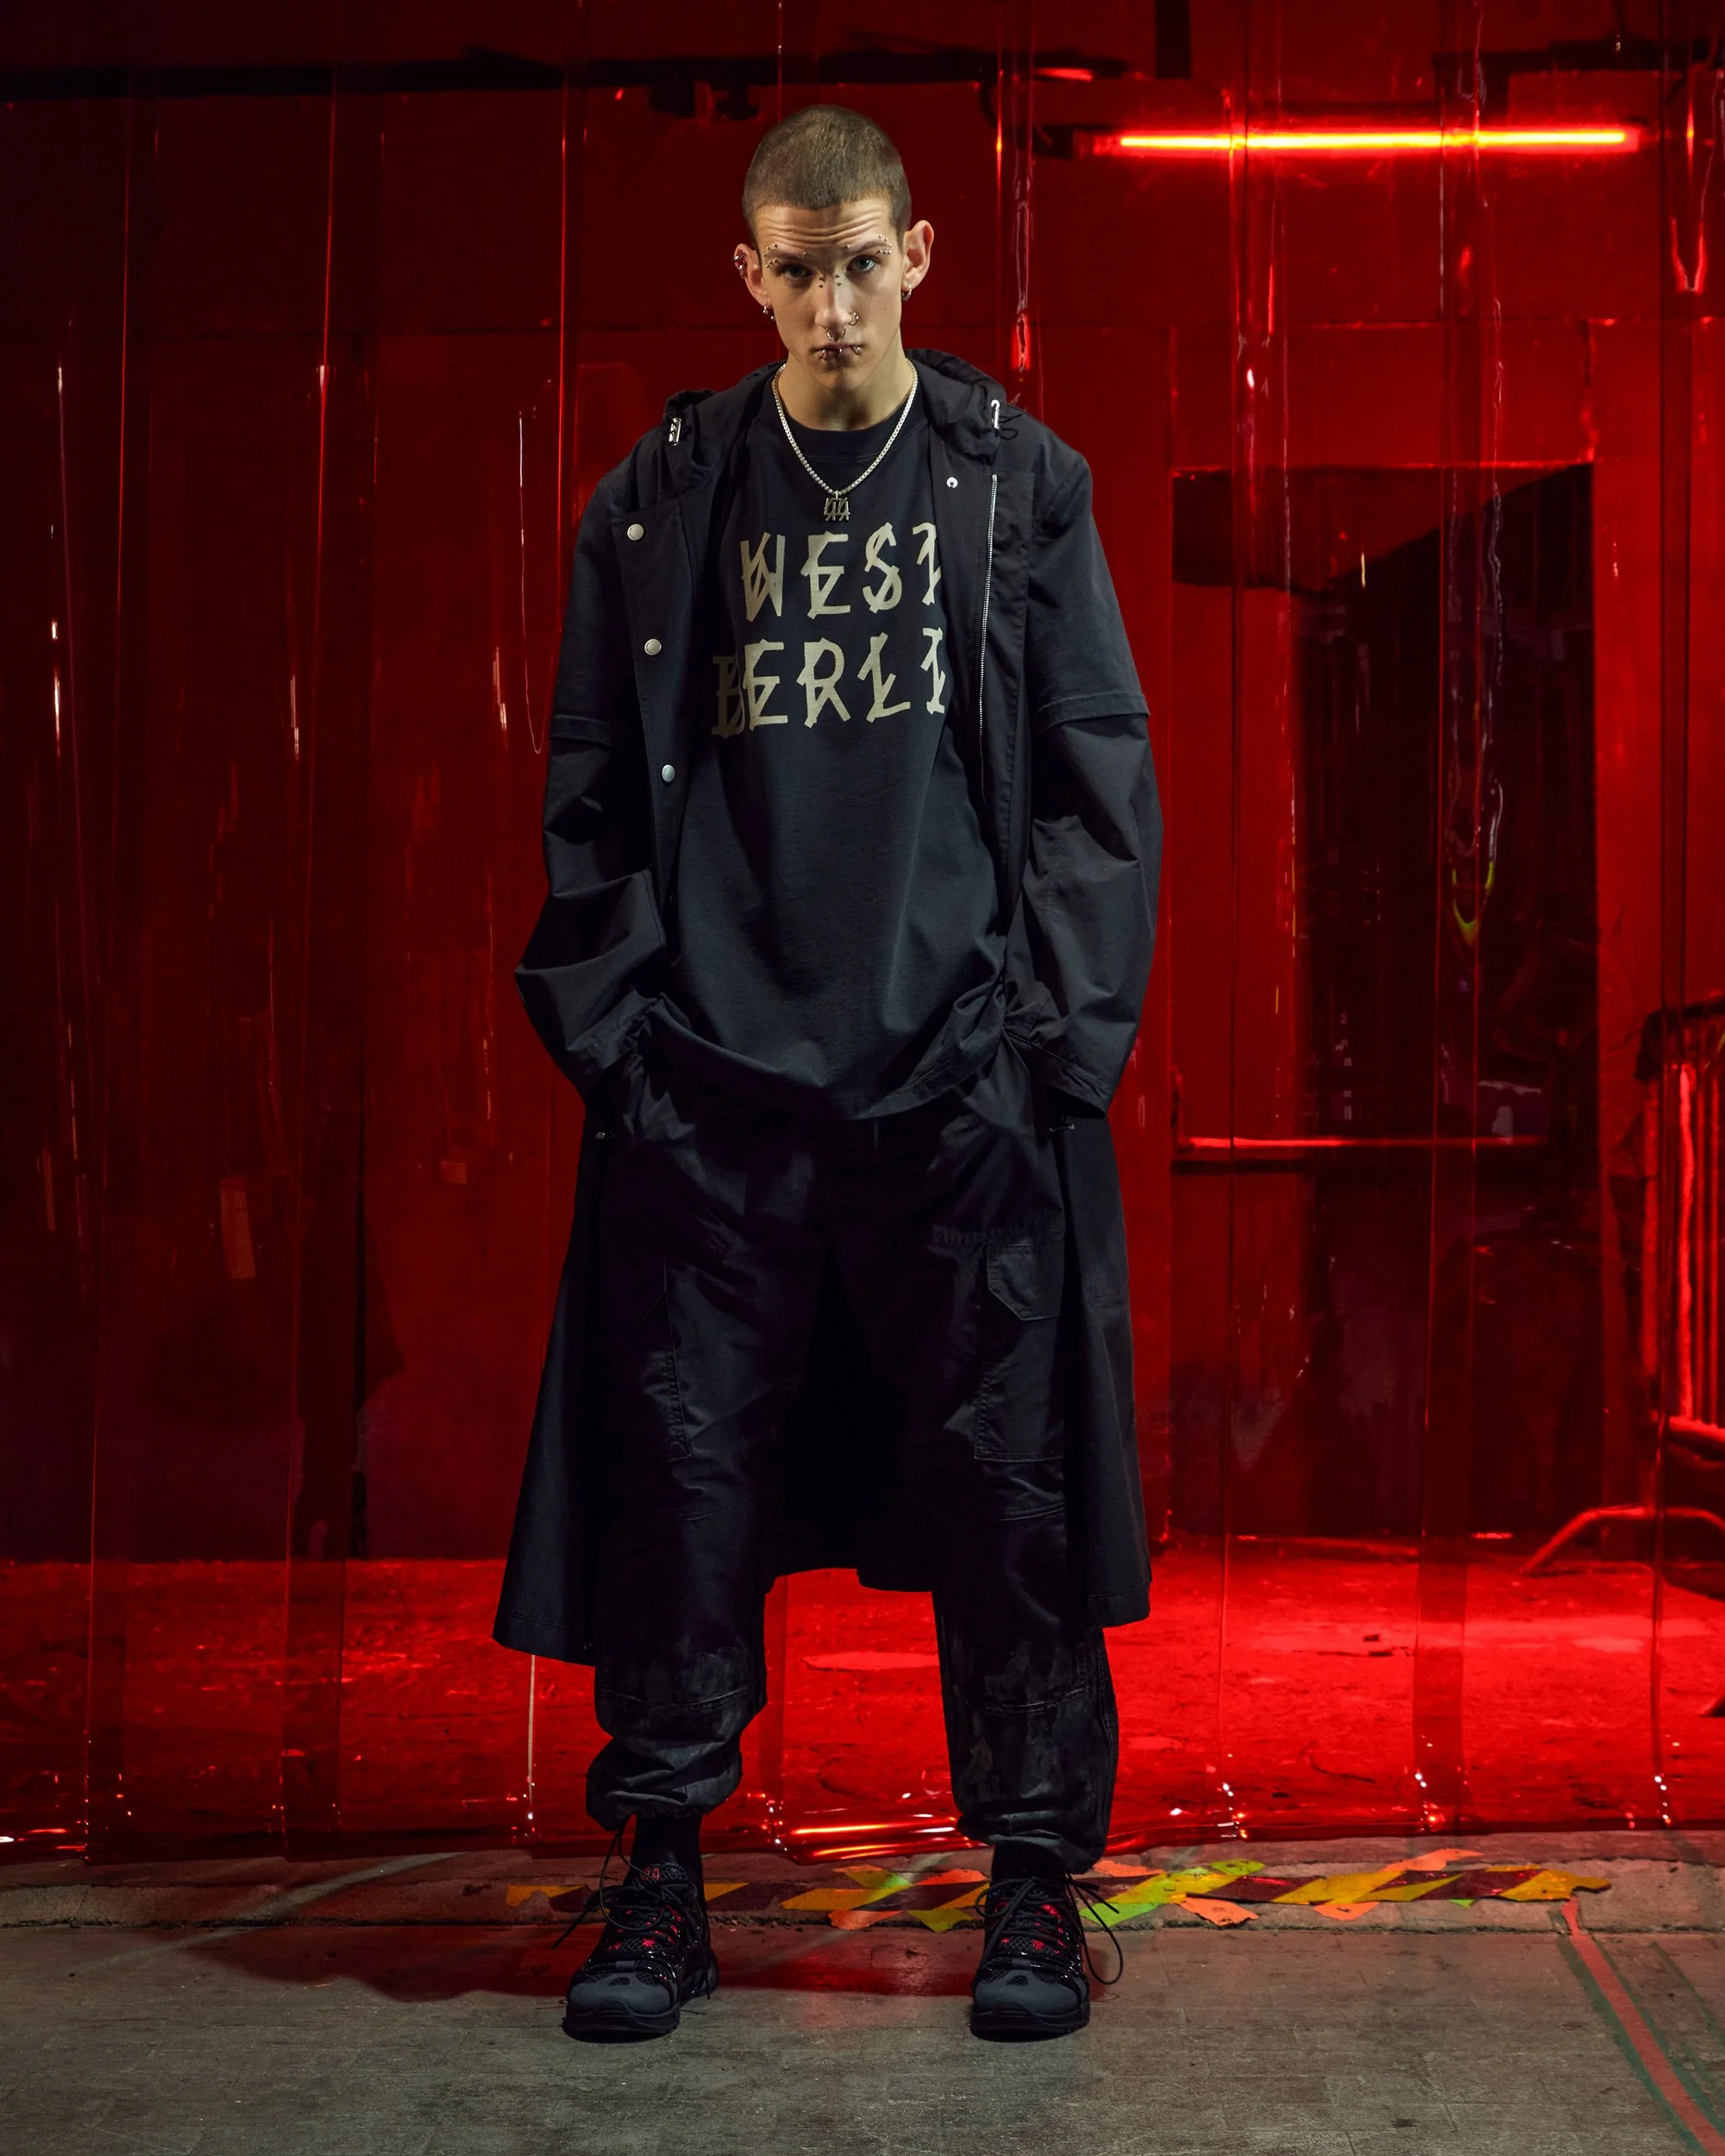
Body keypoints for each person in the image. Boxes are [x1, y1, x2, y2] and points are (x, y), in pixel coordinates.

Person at [495, 103, 1161, 2043]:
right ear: (752, 276)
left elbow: (1097, 781)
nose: (837, 302)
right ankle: (659, 1882)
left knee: (1011, 1491)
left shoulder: (1012, 484)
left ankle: (1030, 1886)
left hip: (954, 1088)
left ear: (917, 256)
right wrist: (626, 1040)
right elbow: (587, 790)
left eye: (864, 261)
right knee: (679, 1481)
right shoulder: (663, 499)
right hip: (715, 1094)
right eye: (799, 269)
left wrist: (1042, 1045)